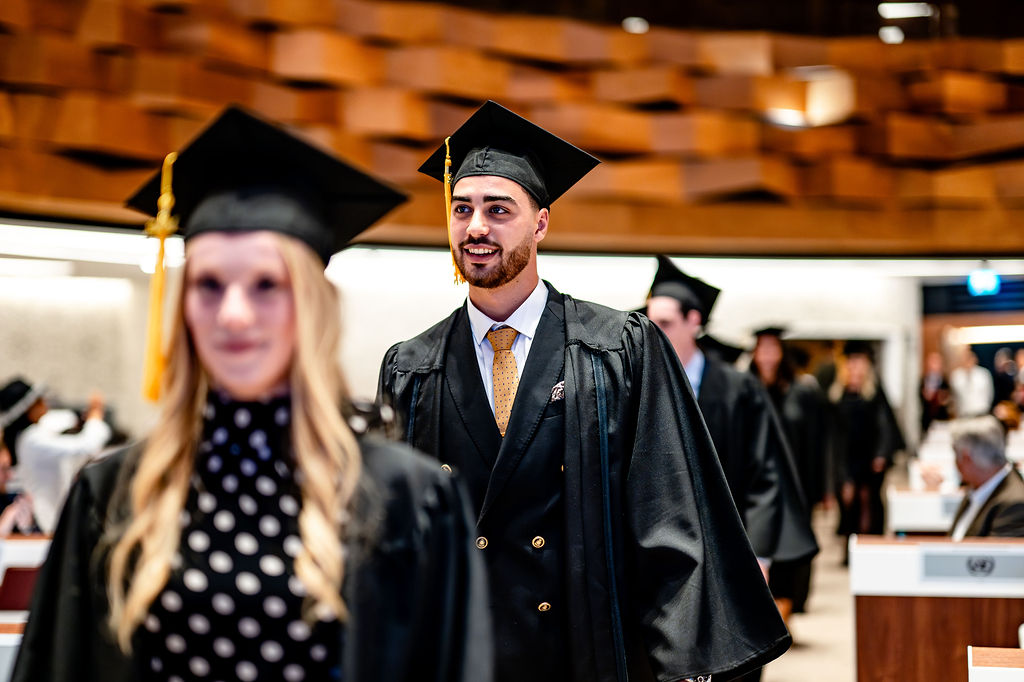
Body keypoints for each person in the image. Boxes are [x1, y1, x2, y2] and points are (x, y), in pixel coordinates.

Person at [13, 106, 492, 682]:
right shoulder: (115, 496)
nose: (233, 315)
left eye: (267, 285)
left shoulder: (406, 501)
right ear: (184, 306)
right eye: (209, 286)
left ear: (312, 307)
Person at [378, 101, 789, 682]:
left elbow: (667, 514)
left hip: (587, 648)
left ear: (541, 222)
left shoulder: (618, 348)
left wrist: (678, 662)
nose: (475, 227)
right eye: (462, 208)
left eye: (499, 210)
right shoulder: (412, 368)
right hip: (461, 653)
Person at [642, 259, 817, 658]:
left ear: (694, 321)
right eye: (648, 323)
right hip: (664, 553)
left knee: (737, 654)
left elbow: (766, 474)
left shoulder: (739, 391)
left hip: (731, 546)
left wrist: (759, 552)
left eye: (665, 323)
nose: (654, 335)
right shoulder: (640, 386)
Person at [750, 326, 828, 617]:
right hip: (758, 483)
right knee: (762, 543)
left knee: (794, 546)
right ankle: (766, 607)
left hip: (796, 482)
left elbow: (817, 442)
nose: (768, 356)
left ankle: (790, 605)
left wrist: (822, 487)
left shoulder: (801, 391)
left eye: (773, 349)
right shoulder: (745, 389)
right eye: (763, 349)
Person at [0, 378, 112, 533]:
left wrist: (80, 421)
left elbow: (61, 420)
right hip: (44, 521)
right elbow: (88, 445)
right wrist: (96, 416)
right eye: (38, 401)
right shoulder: (32, 439)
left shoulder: (27, 437)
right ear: (27, 410)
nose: (44, 404)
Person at [828, 341, 903, 553]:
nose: (854, 366)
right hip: (847, 457)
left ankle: (870, 542)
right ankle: (849, 547)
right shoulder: (837, 394)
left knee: (868, 500)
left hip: (870, 458)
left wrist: (882, 453)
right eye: (850, 362)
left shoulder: (874, 392)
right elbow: (833, 433)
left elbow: (886, 426)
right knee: (847, 501)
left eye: (858, 361)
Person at [948, 415, 1024, 539]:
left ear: (967, 458)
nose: (955, 463)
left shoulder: (1015, 505)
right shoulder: (978, 487)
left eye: (956, 454)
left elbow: (996, 557)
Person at [950, 347, 994, 418]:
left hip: (981, 413)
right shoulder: (956, 376)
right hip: (964, 415)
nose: (968, 362)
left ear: (975, 360)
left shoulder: (983, 374)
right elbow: (955, 397)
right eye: (965, 360)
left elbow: (990, 394)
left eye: (970, 359)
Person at [919, 351, 952, 435]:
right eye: (932, 362)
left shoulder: (945, 381)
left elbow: (948, 399)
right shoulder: (924, 380)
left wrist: (943, 398)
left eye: (936, 362)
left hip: (941, 418)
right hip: (927, 418)